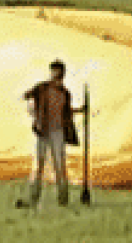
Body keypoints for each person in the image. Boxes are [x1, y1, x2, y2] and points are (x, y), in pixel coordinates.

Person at [16, 60, 84, 209]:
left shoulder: (65, 93)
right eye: (54, 72)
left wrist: (79, 110)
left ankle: (63, 200)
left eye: (59, 73)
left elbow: (66, 112)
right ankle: (34, 199)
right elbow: (26, 97)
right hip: (43, 132)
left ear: (63, 74)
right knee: (39, 166)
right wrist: (34, 115)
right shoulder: (42, 88)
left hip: (58, 133)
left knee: (59, 167)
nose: (56, 75)